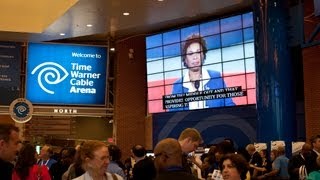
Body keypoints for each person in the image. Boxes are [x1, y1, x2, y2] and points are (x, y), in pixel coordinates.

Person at [171, 33, 235, 111]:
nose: (195, 57)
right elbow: (173, 116)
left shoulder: (216, 77)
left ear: (203, 55)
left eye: (198, 52)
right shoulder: (177, 86)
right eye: (190, 53)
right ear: (185, 59)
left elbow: (230, 106)